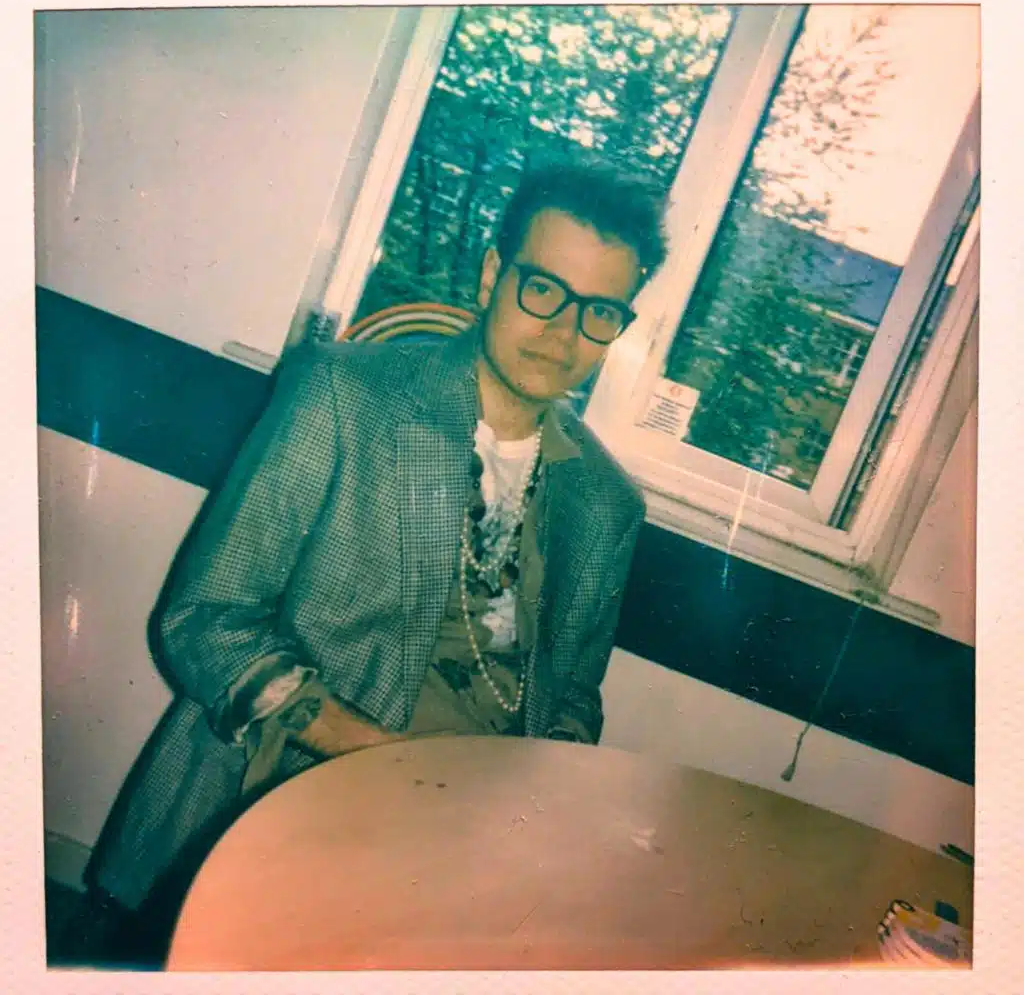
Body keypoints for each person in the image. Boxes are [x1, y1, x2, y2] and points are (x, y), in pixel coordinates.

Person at [83, 156, 669, 966]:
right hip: (285, 796)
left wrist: (529, 811)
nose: (564, 332)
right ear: (492, 275)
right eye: (543, 289)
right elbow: (205, 620)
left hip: (462, 855)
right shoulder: (344, 395)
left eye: (600, 312)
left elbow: (571, 698)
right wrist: (375, 758)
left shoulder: (607, 504)